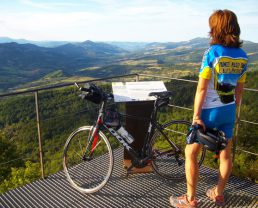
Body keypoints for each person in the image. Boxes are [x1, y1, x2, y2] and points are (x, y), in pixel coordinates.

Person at [169, 9, 248, 208]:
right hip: (228, 110)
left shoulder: (212, 53)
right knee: (226, 154)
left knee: (190, 153)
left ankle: (190, 199)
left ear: (216, 29)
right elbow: (240, 91)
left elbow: (201, 88)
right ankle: (218, 194)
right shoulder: (243, 56)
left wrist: (196, 116)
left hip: (209, 112)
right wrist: (232, 111)